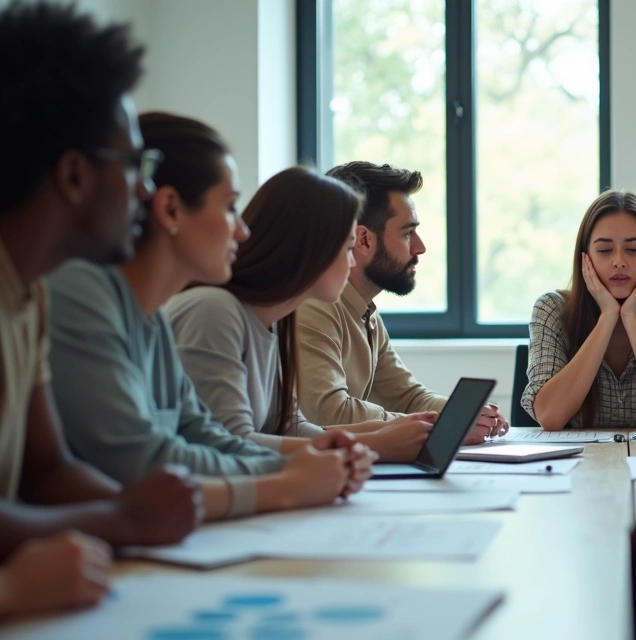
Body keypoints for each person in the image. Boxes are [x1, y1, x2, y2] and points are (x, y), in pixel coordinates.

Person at [47, 112, 375, 521]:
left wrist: (305, 467)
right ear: (169, 209)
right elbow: (145, 460)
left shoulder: (151, 320)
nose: (242, 231)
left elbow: (205, 434)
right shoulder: (83, 293)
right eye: (230, 207)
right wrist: (287, 480)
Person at [0, 0, 200, 585]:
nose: (144, 191)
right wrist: (122, 517)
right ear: (74, 176)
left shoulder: (29, 294)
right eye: (136, 164)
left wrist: (140, 510)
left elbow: (48, 468)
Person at [166, 166, 435, 462]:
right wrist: (374, 445)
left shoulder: (274, 322)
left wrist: (379, 434)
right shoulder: (215, 310)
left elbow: (289, 427)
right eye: (347, 248)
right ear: (310, 249)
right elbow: (229, 444)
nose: (350, 263)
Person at [297, 162, 507, 442]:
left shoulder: (365, 311)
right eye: (408, 233)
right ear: (364, 240)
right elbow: (330, 414)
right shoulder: (313, 307)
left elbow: (407, 397)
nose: (420, 247)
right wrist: (441, 426)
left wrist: (465, 414)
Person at [522, 189, 636, 430]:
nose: (619, 261)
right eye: (604, 250)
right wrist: (607, 316)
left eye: (632, 249)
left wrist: (631, 317)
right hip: (578, 464)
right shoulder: (551, 309)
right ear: (585, 258)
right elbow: (550, 416)